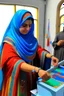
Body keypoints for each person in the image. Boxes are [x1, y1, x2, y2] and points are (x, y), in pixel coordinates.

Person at [0, 9, 58, 96]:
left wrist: (50, 56)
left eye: (30, 25)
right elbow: (14, 62)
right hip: (17, 79)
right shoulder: (9, 42)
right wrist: (36, 69)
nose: (28, 29)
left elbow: (38, 49)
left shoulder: (31, 38)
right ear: (16, 24)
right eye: (24, 25)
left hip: (31, 77)